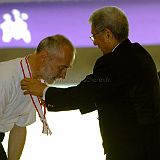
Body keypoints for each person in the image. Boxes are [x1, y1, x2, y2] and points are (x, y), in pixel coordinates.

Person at [21, 6, 160, 160]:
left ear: (107, 34)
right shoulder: (141, 54)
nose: (94, 43)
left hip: (130, 150)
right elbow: (111, 94)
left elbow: (86, 92)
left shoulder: (112, 63)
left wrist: (45, 91)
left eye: (94, 36)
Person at [0, 34, 75, 160]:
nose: (63, 76)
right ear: (44, 57)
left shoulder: (33, 82)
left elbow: (19, 127)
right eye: (62, 68)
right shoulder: (6, 77)